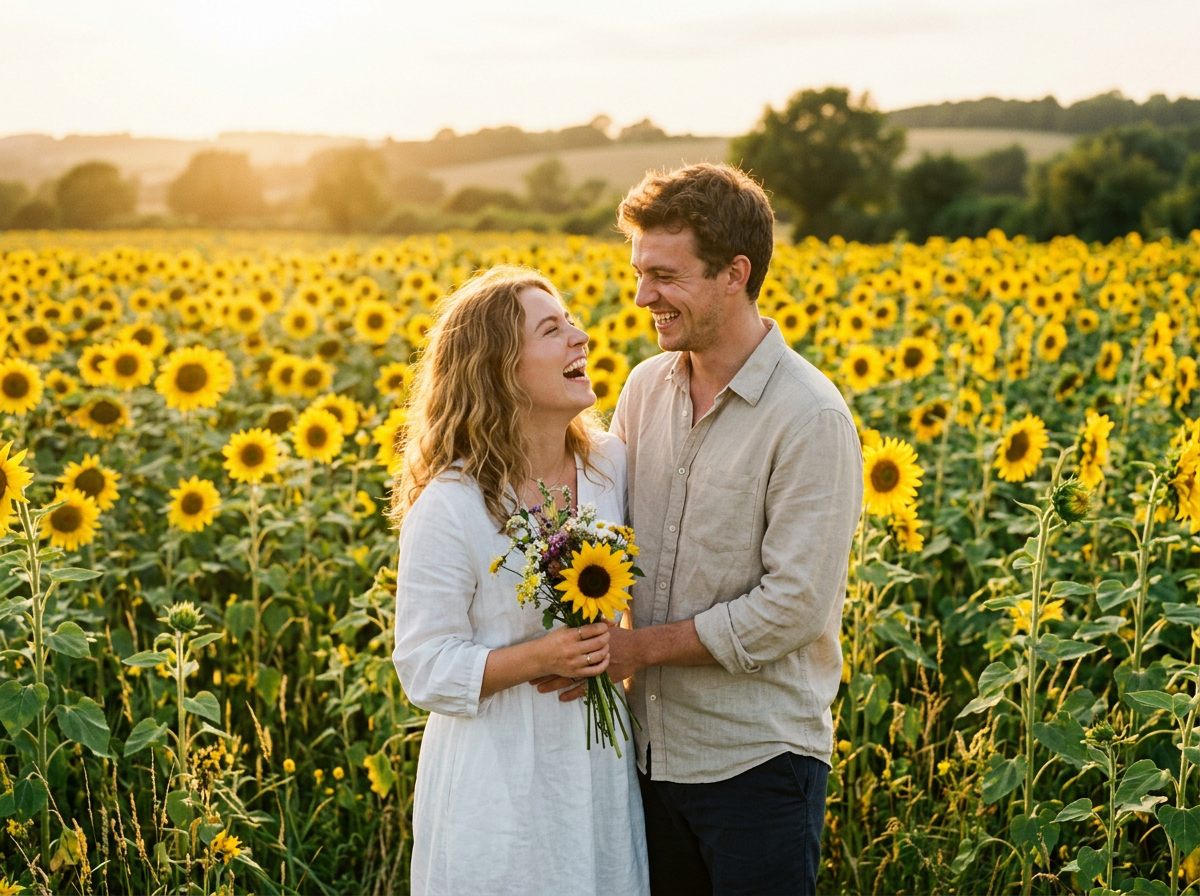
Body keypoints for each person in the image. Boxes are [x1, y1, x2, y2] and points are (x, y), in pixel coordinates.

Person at [539, 163, 863, 895]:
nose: (642, 296)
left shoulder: (809, 417)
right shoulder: (644, 389)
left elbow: (792, 607)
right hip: (648, 753)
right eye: (639, 272)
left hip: (756, 763)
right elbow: (603, 532)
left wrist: (635, 650)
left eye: (664, 275)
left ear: (734, 274)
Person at [391, 266, 649, 896]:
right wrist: (541, 656)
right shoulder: (453, 504)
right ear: (499, 369)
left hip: (597, 767)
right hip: (496, 779)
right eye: (552, 330)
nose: (580, 337)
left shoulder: (609, 467)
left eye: (571, 323)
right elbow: (423, 665)